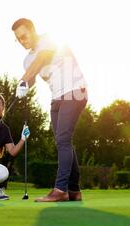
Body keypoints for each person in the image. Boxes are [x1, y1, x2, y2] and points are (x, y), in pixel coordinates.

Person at [12, 18, 88, 202]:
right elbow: (32, 78)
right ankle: (74, 191)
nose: (22, 41)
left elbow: (42, 58)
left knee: (63, 140)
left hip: (74, 91)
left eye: (24, 36)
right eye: (18, 39)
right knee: (63, 141)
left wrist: (22, 79)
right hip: (57, 97)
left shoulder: (49, 39)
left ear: (33, 30)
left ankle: (60, 190)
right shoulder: (27, 59)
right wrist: (24, 86)